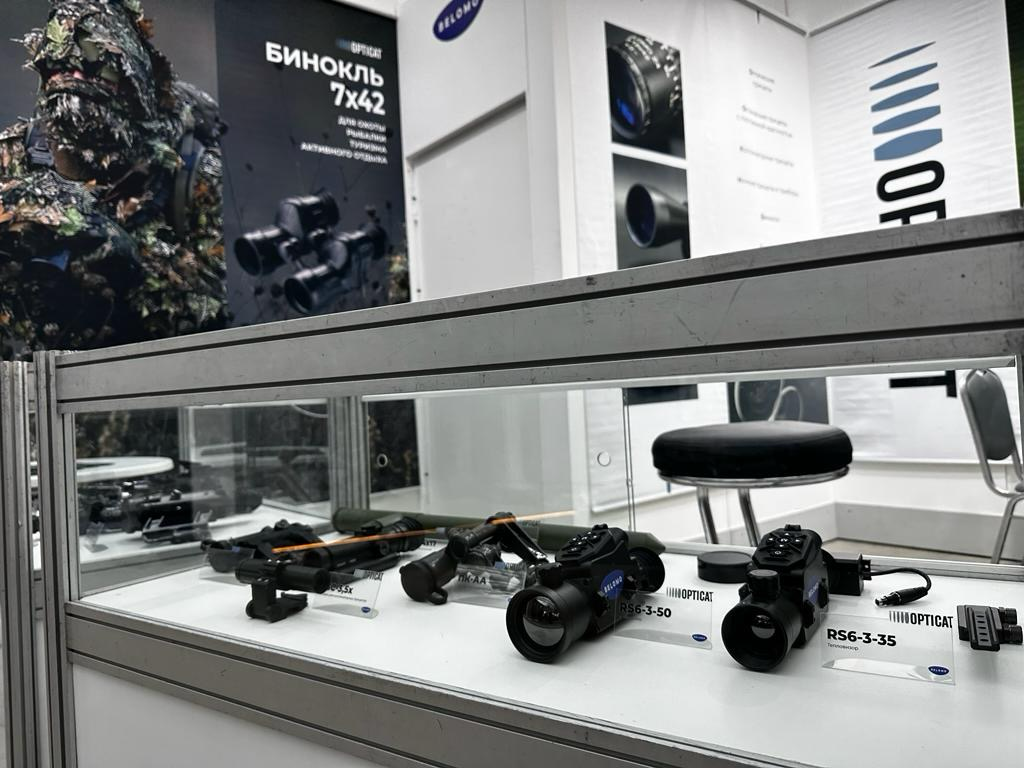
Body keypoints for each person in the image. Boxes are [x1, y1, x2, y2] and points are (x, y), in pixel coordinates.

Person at [0, 0, 227, 358]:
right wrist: (30, 207)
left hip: (141, 376)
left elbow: (215, 311)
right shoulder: (17, 153)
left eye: (91, 62)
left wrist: (128, 258)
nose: (70, 76)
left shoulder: (186, 167)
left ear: (130, 75)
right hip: (32, 379)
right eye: (56, 65)